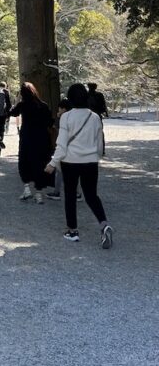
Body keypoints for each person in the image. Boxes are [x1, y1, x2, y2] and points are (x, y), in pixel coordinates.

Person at [46, 83, 112, 246]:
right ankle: (104, 224)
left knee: (70, 195)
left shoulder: (66, 117)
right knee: (91, 196)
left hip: (70, 161)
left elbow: (62, 144)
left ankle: (72, 230)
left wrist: (53, 163)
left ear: (70, 98)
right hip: (90, 161)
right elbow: (99, 143)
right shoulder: (94, 117)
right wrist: (96, 156)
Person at [10, 82, 54, 204]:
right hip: (41, 138)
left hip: (27, 138)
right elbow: (50, 122)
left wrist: (17, 100)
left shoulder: (22, 105)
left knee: (24, 162)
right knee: (39, 163)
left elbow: (12, 112)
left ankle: (27, 189)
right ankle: (39, 193)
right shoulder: (43, 105)